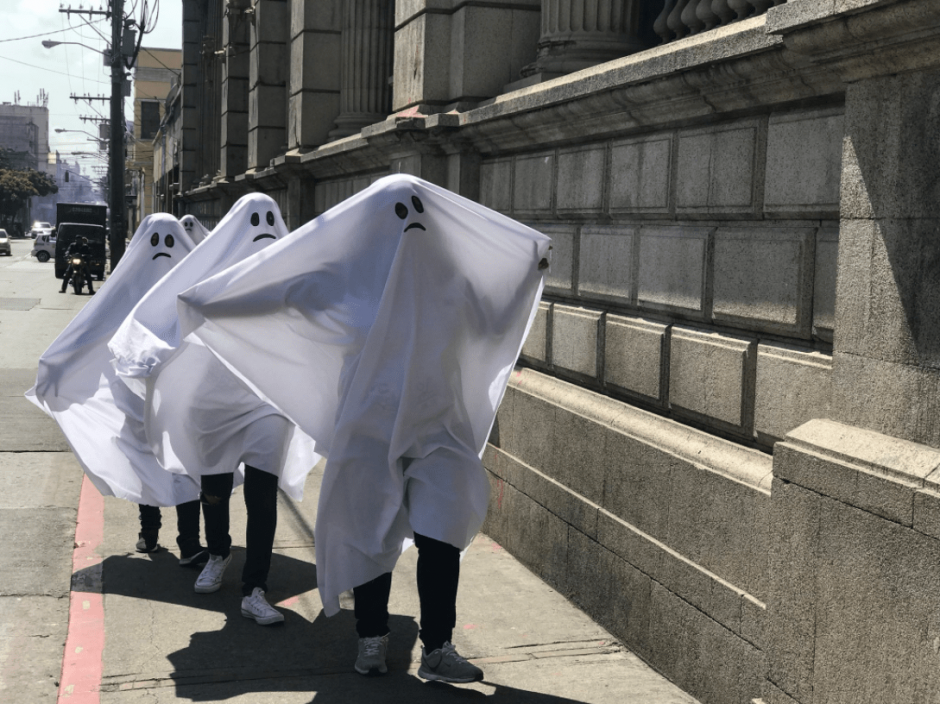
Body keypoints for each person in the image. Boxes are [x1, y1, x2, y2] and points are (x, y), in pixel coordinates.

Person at [173, 175, 550, 681]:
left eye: (419, 212)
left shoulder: (451, 278)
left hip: (439, 430)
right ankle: (371, 635)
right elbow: (278, 294)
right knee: (367, 535)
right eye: (397, 214)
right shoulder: (343, 277)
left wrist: (528, 270)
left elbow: (493, 322)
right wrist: (210, 302)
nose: (410, 224)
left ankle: (438, 648)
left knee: (442, 533)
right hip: (368, 432)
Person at [109, 193, 319, 626]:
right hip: (212, 407)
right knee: (215, 494)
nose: (262, 225)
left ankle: (255, 589)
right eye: (253, 219)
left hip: (267, 405)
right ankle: (218, 552)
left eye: (269, 217)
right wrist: (144, 355)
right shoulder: (209, 276)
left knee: (263, 498)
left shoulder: (293, 277)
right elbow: (161, 314)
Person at [26, 215, 207, 564]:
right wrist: (55, 364)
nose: (163, 251)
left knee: (172, 463)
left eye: (171, 243)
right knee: (163, 461)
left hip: (174, 393)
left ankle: (170, 539)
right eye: (156, 243)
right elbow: (90, 327)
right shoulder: (163, 282)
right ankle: (168, 537)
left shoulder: (147, 282)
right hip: (145, 392)